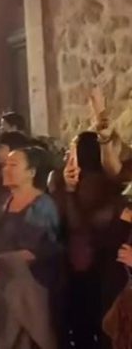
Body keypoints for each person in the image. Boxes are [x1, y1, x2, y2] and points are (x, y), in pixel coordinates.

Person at [0, 146, 61, 349]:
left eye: (13, 164)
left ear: (32, 172)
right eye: (5, 164)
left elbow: (37, 250)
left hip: (28, 290)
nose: (6, 169)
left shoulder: (42, 205)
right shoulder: (3, 202)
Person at [54, 132, 128, 348]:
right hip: (95, 263)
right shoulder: (79, 181)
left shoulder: (96, 184)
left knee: (90, 325)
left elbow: (80, 225)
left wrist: (67, 191)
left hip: (94, 263)